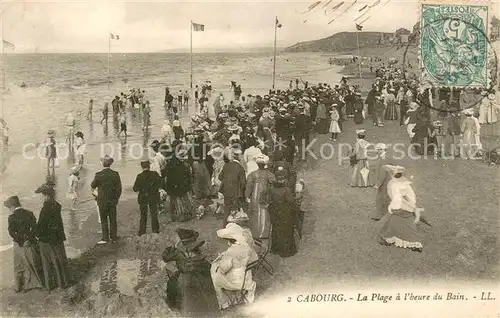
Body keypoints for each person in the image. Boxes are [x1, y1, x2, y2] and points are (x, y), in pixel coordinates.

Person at [162, 228, 220, 317]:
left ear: (188, 253)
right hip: (210, 309)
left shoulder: (188, 270)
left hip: (195, 309)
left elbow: (167, 257)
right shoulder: (203, 263)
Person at [378, 166, 424, 252]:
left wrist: (411, 206)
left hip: (402, 208)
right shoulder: (405, 182)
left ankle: (410, 242)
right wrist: (413, 206)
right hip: (406, 208)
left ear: (392, 175)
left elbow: (398, 198)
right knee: (395, 223)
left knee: (396, 223)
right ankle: (410, 242)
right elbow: (410, 197)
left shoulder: (393, 184)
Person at [210, 225, 256, 310]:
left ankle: (223, 303)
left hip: (236, 283)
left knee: (214, 275)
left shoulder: (230, 252)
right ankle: (244, 296)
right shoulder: (246, 246)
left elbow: (224, 269)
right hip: (246, 279)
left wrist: (220, 262)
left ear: (229, 241)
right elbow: (253, 258)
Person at [5, 195, 44, 293]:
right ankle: (32, 284)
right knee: (32, 263)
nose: (10, 210)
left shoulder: (12, 217)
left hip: (18, 244)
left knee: (18, 265)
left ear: (12, 206)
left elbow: (11, 231)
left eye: (9, 208)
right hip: (29, 242)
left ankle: (19, 286)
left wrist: (19, 240)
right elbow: (35, 228)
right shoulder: (29, 213)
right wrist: (29, 238)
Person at [34, 183, 69, 290]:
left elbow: (41, 225)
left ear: (46, 196)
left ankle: (49, 286)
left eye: (43, 195)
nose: (42, 198)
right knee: (59, 261)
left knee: (47, 264)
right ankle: (63, 283)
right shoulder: (56, 205)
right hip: (57, 237)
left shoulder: (46, 208)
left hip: (47, 240)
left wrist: (36, 234)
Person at [90, 155, 122, 244]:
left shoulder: (98, 175)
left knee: (104, 220)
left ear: (102, 164)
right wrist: (116, 198)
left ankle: (105, 238)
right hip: (112, 200)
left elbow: (92, 186)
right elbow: (119, 188)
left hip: (102, 200)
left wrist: (96, 194)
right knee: (113, 219)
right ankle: (114, 237)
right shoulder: (115, 174)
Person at [268, 168, 299, 258]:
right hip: (285, 212)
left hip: (274, 211)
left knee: (276, 229)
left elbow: (266, 199)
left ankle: (275, 249)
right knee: (286, 230)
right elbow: (291, 201)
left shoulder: (271, 189)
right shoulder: (286, 189)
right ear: (284, 179)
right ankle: (286, 251)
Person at [245, 154, 275, 239]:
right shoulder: (270, 174)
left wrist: (247, 196)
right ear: (265, 164)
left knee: (255, 214)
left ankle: (255, 233)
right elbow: (273, 186)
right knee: (265, 215)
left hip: (254, 197)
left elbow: (249, 187)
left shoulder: (252, 174)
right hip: (266, 197)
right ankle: (264, 233)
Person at [165, 145, 195, 222]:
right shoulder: (184, 165)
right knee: (185, 199)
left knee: (173, 201)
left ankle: (172, 217)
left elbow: (168, 176)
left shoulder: (170, 163)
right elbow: (188, 176)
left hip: (172, 185)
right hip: (181, 185)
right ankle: (188, 213)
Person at [218, 148, 246, 227]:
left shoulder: (226, 165)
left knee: (227, 210)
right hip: (236, 192)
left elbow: (220, 177)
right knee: (234, 212)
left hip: (226, 191)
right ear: (240, 157)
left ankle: (225, 226)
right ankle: (233, 228)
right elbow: (243, 183)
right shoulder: (241, 168)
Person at [133, 160, 161, 235]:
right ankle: (155, 230)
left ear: (142, 167)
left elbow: (135, 189)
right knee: (154, 213)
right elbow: (161, 184)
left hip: (143, 197)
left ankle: (142, 231)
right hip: (153, 196)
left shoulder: (139, 176)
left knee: (143, 215)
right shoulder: (155, 174)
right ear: (149, 166)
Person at [372, 144, 393, 221]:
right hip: (389, 181)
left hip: (385, 183)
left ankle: (380, 216)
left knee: (380, 199)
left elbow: (382, 174)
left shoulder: (383, 159)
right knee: (386, 199)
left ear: (381, 150)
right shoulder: (385, 157)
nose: (376, 151)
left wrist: (378, 184)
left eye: (377, 150)